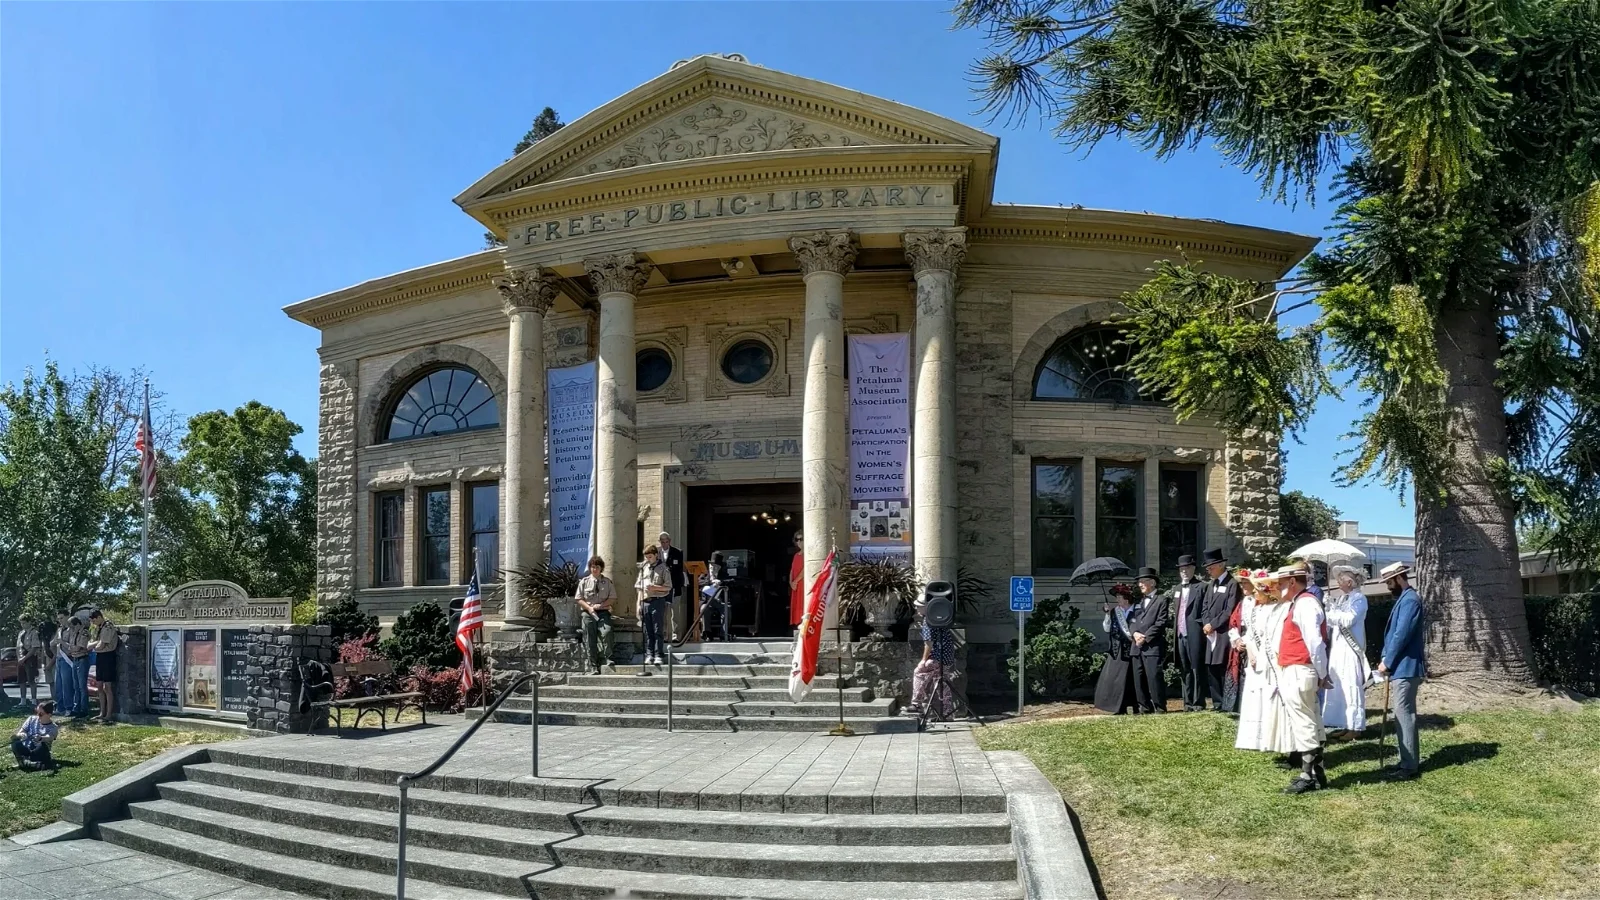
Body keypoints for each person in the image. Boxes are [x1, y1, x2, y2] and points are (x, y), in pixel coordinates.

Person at [1274, 565, 1330, 794]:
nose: (1278, 587)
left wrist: (1322, 673)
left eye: (1282, 583)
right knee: (1313, 720)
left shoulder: (1305, 603)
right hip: (1302, 669)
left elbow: (1315, 642)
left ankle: (1306, 776)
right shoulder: (1301, 602)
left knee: (1304, 722)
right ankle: (1317, 771)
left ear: (1293, 582)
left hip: (1299, 669)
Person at [1233, 569, 1296, 754]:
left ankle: (1270, 737)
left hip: (1270, 659)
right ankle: (1253, 737)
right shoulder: (1255, 610)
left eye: (1257, 591)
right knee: (1254, 696)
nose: (1254, 595)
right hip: (1255, 659)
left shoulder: (1276, 610)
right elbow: (1250, 635)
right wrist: (1251, 652)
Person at [1377, 561, 1427, 781]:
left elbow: (1401, 635)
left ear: (1399, 578)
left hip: (1406, 667)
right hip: (1400, 667)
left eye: (1389, 581)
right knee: (1401, 714)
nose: (1388, 586)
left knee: (1404, 714)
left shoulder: (1410, 600)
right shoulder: (1404, 600)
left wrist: (1387, 661)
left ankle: (1409, 766)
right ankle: (1406, 760)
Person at [1322, 567, 1369, 736]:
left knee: (1350, 685)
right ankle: (1342, 722)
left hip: (1350, 649)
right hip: (1338, 648)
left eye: (1341, 580)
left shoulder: (1360, 599)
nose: (1338, 583)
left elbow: (1348, 620)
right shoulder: (1342, 598)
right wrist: (1329, 607)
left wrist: (1332, 612)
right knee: (1338, 684)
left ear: (1349, 582)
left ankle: (1355, 726)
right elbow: (1332, 621)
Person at [1200, 548, 1241, 710]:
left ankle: (1227, 703)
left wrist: (1214, 624)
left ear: (1221, 565)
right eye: (1207, 568)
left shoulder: (1232, 584)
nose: (1209, 570)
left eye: (1211, 567)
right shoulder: (1211, 584)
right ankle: (1217, 702)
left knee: (1222, 666)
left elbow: (1229, 609)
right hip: (1210, 633)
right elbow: (1204, 607)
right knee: (1211, 667)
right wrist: (1206, 623)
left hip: (1223, 632)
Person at [1127, 567, 1170, 714]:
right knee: (1138, 679)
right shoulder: (1138, 602)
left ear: (1152, 582)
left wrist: (1145, 637)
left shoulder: (1162, 600)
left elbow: (1161, 622)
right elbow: (1132, 621)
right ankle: (1144, 707)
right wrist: (1135, 634)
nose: (1140, 584)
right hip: (1136, 646)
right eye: (1139, 582)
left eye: (1143, 581)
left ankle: (1159, 707)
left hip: (1152, 646)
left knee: (1154, 677)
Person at [1093, 583, 1140, 714]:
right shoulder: (1115, 611)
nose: (1117, 599)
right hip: (1117, 651)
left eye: (1119, 596)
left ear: (1127, 597)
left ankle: (1137, 706)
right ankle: (1119, 707)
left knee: (1133, 679)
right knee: (1116, 679)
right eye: (1117, 596)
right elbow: (1107, 629)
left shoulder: (1137, 610)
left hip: (1133, 649)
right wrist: (1107, 614)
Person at [1171, 554, 1208, 711]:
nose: (1184, 572)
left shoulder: (1202, 587)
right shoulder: (1178, 589)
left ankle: (1198, 702)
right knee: (1185, 668)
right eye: (1181, 569)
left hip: (1194, 633)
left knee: (1196, 668)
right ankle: (1187, 702)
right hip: (1180, 634)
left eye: (1187, 568)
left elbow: (1205, 610)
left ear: (1193, 569)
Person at [575, 556, 616, 676]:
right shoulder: (584, 581)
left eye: (597, 567)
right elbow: (579, 598)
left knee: (607, 632)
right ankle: (592, 665)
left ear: (601, 568)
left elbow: (613, 598)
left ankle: (607, 658)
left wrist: (601, 605)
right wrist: (589, 608)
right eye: (592, 567)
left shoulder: (607, 582)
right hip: (588, 613)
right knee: (589, 638)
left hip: (603, 612)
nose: (594, 569)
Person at [1220, 568, 1254, 713]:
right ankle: (1235, 705)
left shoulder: (1259, 602)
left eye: (1246, 583)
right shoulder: (1242, 603)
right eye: (1242, 584)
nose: (1243, 586)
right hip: (1240, 639)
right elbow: (1233, 623)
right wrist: (1237, 640)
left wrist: (1246, 640)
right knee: (1238, 671)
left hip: (1252, 641)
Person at [636, 545, 672, 666]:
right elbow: (639, 588)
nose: (648, 559)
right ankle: (649, 653)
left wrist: (655, 587)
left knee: (658, 629)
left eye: (650, 557)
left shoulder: (663, 568)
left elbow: (668, 587)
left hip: (658, 600)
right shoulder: (644, 568)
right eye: (646, 557)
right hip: (645, 601)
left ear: (656, 555)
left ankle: (658, 654)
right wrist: (638, 604)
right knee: (648, 630)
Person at [88, 610, 120, 724]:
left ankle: (109, 714)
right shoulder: (98, 628)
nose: (93, 622)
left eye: (94, 620)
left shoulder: (108, 626)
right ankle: (102, 712)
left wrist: (95, 647)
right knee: (99, 686)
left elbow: (101, 645)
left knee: (108, 687)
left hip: (108, 657)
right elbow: (89, 644)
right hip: (100, 657)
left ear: (99, 617)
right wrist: (95, 646)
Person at [12, 701, 58, 771]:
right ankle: (31, 764)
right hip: (27, 749)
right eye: (37, 712)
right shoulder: (31, 719)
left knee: (43, 746)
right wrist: (20, 735)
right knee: (15, 742)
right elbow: (22, 731)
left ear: (49, 715)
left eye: (41, 714)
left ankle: (24, 763)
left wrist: (41, 738)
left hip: (38, 752)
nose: (38, 715)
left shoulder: (53, 727)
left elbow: (50, 737)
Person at [657, 532, 686, 641]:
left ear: (670, 541)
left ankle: (676, 635)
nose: (664, 544)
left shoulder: (677, 552)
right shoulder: (657, 552)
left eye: (666, 541)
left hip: (674, 586)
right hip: (661, 587)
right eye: (662, 542)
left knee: (675, 612)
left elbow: (679, 570)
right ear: (660, 542)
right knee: (663, 612)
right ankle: (664, 634)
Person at [52, 612, 80, 718]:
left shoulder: (71, 630)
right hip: (59, 659)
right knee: (58, 685)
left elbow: (72, 646)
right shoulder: (59, 630)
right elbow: (53, 642)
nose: (60, 620)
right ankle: (60, 708)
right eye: (58, 618)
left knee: (67, 685)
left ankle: (69, 708)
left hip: (67, 659)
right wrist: (53, 643)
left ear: (68, 617)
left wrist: (62, 642)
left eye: (62, 618)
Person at [66, 610, 91, 720]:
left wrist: (72, 648)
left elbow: (78, 647)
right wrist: (72, 648)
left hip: (82, 659)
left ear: (78, 624)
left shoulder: (84, 632)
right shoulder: (73, 633)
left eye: (72, 626)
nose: (71, 629)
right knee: (75, 686)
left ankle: (84, 709)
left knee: (82, 686)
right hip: (75, 659)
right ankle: (76, 708)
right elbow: (70, 648)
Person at [17, 620, 44, 709]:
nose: (23, 624)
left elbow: (34, 648)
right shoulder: (21, 633)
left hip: (30, 658)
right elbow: (18, 647)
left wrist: (25, 658)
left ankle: (33, 700)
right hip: (21, 659)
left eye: (24, 622)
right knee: (21, 680)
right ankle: (23, 700)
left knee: (31, 680)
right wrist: (19, 658)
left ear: (29, 622)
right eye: (21, 623)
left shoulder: (34, 633)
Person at [788, 530, 805, 633]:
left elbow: (805, 569)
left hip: (802, 584)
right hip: (795, 585)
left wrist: (796, 581)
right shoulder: (796, 555)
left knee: (802, 604)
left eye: (801, 539)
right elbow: (792, 570)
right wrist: (791, 582)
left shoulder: (808, 554)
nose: (799, 542)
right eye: (797, 540)